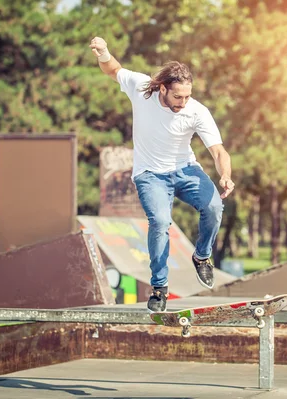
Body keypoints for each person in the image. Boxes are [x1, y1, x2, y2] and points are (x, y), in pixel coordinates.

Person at [89, 36, 235, 312]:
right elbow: (113, 70)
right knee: (159, 222)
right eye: (177, 96)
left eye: (187, 96)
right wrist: (104, 52)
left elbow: (218, 151)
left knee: (215, 206)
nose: (182, 102)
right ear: (163, 89)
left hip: (186, 170)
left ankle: (202, 257)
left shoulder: (196, 111)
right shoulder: (142, 88)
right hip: (150, 175)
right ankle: (159, 287)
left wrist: (225, 175)